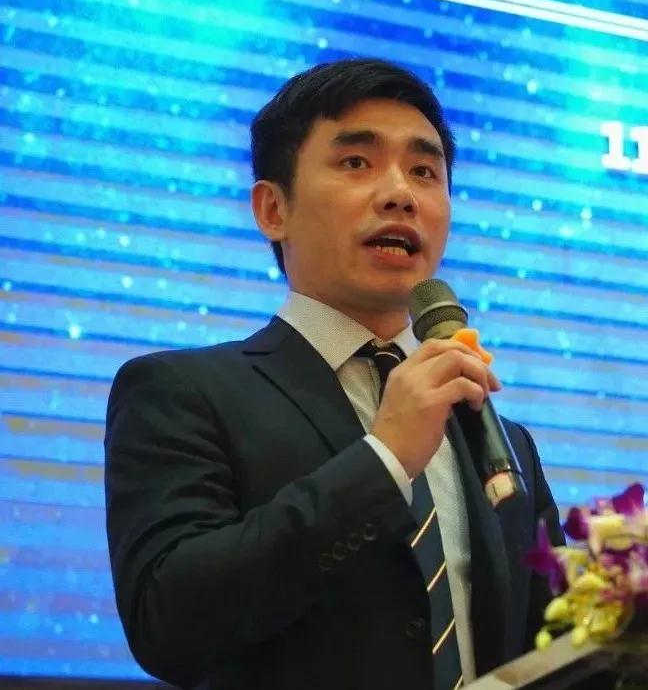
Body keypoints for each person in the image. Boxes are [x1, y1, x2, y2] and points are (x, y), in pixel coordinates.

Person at [104, 58, 564, 690]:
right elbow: (169, 623)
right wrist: (385, 459)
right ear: (273, 208)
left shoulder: (504, 441)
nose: (401, 193)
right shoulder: (179, 393)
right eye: (356, 162)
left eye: (424, 171)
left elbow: (553, 645)